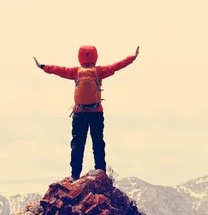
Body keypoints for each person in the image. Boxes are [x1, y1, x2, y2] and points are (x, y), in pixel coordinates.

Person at [33, 45, 139, 180]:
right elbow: (117, 66)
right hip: (96, 112)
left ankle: (75, 175)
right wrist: (132, 58)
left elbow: (59, 70)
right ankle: (101, 172)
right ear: (96, 56)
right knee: (98, 143)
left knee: (77, 144)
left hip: (79, 113)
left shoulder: (75, 72)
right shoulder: (99, 71)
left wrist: (43, 66)